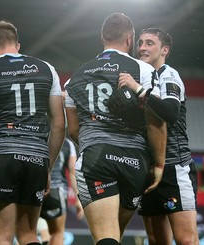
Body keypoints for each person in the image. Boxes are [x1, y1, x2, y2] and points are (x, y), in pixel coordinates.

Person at [64, 13, 167, 245]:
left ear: (102, 38)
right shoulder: (144, 70)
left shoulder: (75, 78)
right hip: (134, 161)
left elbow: (73, 130)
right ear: (130, 39)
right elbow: (156, 120)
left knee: (106, 237)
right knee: (114, 236)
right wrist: (159, 163)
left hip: (96, 157)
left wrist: (93, 147)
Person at [0, 20, 65, 245]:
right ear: (17, 45)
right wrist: (46, 167)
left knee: (2, 237)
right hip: (37, 159)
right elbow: (59, 124)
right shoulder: (47, 69)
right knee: (29, 235)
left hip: (3, 157)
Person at [118, 28, 198, 245]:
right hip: (146, 169)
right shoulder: (138, 76)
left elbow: (171, 114)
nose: (142, 48)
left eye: (149, 43)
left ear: (164, 50)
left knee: (186, 240)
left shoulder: (168, 75)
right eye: (141, 42)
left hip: (174, 168)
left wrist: (138, 90)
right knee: (155, 240)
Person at [40, 137, 84, 245]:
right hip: (56, 190)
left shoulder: (36, 137)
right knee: (57, 233)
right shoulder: (68, 143)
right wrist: (78, 200)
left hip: (34, 188)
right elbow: (72, 173)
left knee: (27, 233)